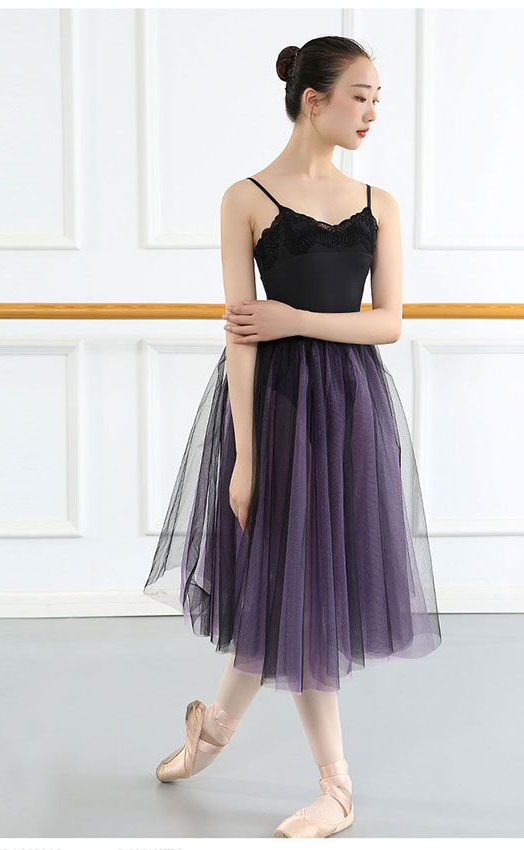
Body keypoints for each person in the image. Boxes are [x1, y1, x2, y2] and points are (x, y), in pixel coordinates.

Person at [143, 35, 442, 838]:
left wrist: (296, 319)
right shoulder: (244, 198)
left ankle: (297, 773)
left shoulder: (379, 202)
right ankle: (243, 745)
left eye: (377, 99)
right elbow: (243, 335)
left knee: (305, 584)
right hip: (275, 407)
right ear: (314, 100)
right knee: (289, 579)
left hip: (348, 404)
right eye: (359, 97)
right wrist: (243, 457)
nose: (372, 113)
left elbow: (387, 324)